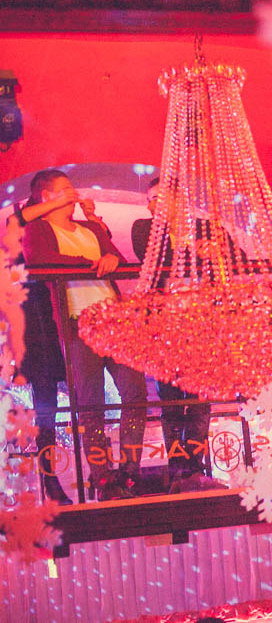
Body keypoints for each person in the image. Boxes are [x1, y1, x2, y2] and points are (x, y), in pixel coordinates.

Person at [22, 169, 147, 501]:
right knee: (91, 403)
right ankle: (102, 476)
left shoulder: (90, 228)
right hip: (78, 322)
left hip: (115, 320)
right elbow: (40, 260)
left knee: (135, 392)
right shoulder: (38, 228)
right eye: (65, 189)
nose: (73, 194)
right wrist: (90, 263)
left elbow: (118, 260)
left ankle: (130, 471)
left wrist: (109, 256)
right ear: (46, 197)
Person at [131, 176, 218, 493]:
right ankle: (177, 468)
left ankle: (194, 467)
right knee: (170, 401)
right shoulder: (145, 228)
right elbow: (154, 259)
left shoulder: (204, 227)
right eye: (150, 199)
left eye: (159, 197)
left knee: (199, 401)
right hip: (164, 323)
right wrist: (191, 248)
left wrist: (211, 250)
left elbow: (224, 260)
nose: (152, 205)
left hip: (200, 322)